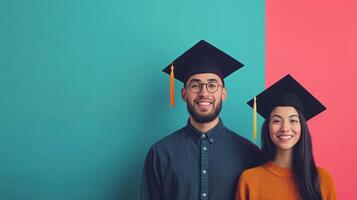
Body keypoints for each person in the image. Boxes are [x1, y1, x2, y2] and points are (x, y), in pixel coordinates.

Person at [141, 40, 263, 200]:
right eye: (195, 85)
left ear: (223, 93)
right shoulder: (160, 154)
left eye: (212, 85)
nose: (204, 93)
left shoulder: (249, 154)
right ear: (184, 94)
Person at [236, 74, 336, 200]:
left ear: (302, 127)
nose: (285, 128)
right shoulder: (249, 180)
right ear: (267, 127)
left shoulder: (321, 179)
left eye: (293, 120)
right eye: (277, 121)